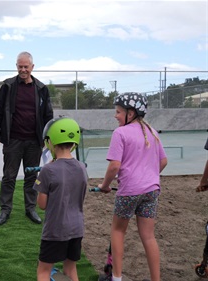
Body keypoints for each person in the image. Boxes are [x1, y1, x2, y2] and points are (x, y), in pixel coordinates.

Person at [97, 92, 168, 281]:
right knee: (148, 236)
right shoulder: (152, 132)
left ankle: (117, 278)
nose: (115, 116)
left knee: (118, 231)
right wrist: (148, 176)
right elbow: (163, 161)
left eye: (118, 112)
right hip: (151, 191)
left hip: (129, 191)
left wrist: (104, 185)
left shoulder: (120, 133)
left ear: (131, 113)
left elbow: (114, 166)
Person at [0, 51, 54, 225]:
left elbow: (48, 115)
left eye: (26, 66)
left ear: (32, 67)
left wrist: (48, 139)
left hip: (34, 141)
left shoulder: (41, 89)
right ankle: (5, 210)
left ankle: (30, 208)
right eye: (20, 66)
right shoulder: (8, 86)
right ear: (16, 66)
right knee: (9, 176)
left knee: (31, 176)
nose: (23, 69)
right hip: (13, 140)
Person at [33, 117, 87, 281]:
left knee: (43, 270)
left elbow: (42, 204)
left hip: (55, 230)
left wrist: (41, 177)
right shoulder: (82, 167)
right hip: (77, 228)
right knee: (70, 268)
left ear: (50, 141)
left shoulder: (48, 170)